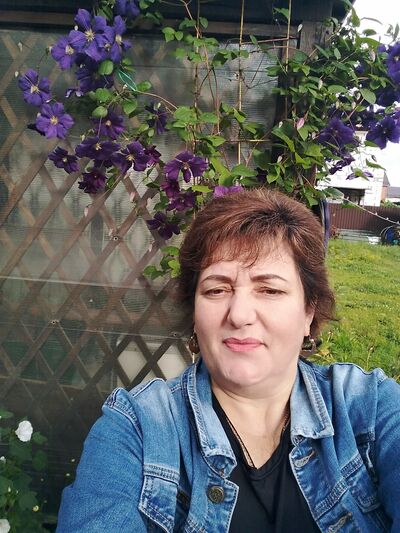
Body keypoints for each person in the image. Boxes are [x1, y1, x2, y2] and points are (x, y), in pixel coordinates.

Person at [57, 188, 400, 532]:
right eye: (216, 290)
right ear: (195, 313)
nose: (239, 315)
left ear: (308, 312)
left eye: (270, 290)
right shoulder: (138, 426)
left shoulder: (369, 406)